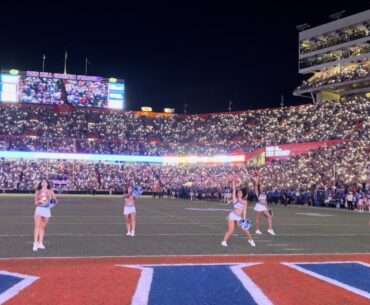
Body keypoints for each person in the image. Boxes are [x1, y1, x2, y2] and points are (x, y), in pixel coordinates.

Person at [221, 176, 255, 247]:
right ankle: (224, 241)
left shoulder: (244, 202)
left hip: (239, 217)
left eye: (240, 193)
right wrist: (233, 181)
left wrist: (244, 219)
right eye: (238, 193)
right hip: (232, 216)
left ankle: (250, 240)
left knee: (245, 229)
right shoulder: (235, 199)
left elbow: (245, 210)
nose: (239, 193)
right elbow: (234, 189)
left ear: (242, 194)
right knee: (231, 230)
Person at [33, 179, 56, 251]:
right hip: (39, 209)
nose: (44, 182)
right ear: (41, 183)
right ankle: (35, 243)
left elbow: (55, 201)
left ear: (47, 183)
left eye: (45, 182)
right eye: (42, 182)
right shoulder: (38, 191)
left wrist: (49, 203)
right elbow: (35, 203)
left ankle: (40, 243)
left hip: (47, 210)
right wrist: (39, 200)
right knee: (37, 226)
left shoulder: (50, 191)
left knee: (42, 227)